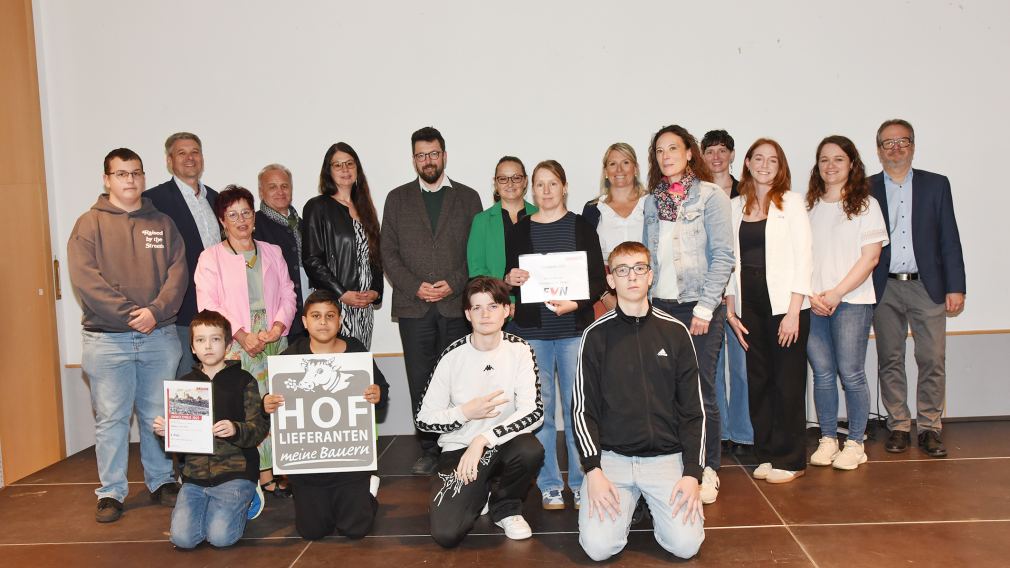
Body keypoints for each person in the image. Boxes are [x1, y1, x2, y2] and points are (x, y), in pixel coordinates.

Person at [68, 148, 187, 522]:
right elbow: (86, 280)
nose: (130, 180)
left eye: (136, 172)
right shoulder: (89, 224)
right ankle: (111, 491)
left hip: (159, 335)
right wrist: (130, 315)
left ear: (143, 177)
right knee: (111, 419)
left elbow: (178, 274)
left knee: (158, 414)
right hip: (107, 340)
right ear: (107, 179)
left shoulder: (163, 223)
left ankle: (161, 480)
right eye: (121, 174)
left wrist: (155, 312)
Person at [574, 241, 705, 561]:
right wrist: (593, 471)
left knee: (686, 546)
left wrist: (692, 474)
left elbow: (694, 411)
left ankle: (649, 502)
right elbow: (582, 410)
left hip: (665, 459)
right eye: (622, 270)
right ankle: (629, 502)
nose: (631, 276)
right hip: (612, 461)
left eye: (639, 268)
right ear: (611, 280)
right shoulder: (595, 335)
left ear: (650, 276)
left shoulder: (675, 332)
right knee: (598, 549)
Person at [504, 159, 606, 510]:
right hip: (533, 333)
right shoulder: (519, 229)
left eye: (552, 183)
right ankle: (549, 484)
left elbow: (597, 281)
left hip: (573, 331)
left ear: (564, 187)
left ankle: (579, 482)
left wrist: (575, 304)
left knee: (578, 409)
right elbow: (510, 275)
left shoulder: (581, 226)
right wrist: (509, 279)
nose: (546, 191)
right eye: (540, 184)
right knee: (542, 412)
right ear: (532, 190)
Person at [380, 126, 483, 475]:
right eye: (421, 155)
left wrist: (453, 283)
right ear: (414, 160)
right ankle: (429, 448)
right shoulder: (397, 198)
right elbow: (388, 252)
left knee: (459, 379)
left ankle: (459, 445)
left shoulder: (468, 197)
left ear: (444, 156)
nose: (428, 161)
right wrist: (416, 286)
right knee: (420, 379)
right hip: (414, 307)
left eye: (433, 154)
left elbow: (476, 251)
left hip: (455, 306)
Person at [415, 277, 545, 547]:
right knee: (446, 533)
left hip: (503, 444)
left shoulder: (520, 350)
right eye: (477, 308)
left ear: (506, 310)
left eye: (493, 306)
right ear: (467, 314)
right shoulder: (452, 356)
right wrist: (465, 412)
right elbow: (424, 419)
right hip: (460, 450)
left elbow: (533, 411)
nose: (485, 314)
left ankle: (506, 508)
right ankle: (479, 492)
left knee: (530, 449)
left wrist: (483, 439)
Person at [643, 125, 733, 504]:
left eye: (673, 148)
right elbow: (648, 258)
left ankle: (708, 467)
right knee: (666, 392)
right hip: (659, 308)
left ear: (689, 153)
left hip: (698, 307)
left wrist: (706, 307)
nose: (666, 156)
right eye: (659, 150)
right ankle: (679, 463)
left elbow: (724, 256)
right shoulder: (652, 201)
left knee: (700, 391)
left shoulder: (711, 196)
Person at [870, 119, 966, 458]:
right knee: (890, 358)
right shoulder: (866, 188)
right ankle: (898, 425)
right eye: (888, 142)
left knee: (932, 358)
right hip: (884, 286)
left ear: (912, 145)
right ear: (879, 150)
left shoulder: (936, 185)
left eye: (903, 141)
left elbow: (949, 237)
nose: (896, 148)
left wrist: (956, 286)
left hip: (928, 286)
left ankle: (929, 428)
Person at [194, 185, 296, 497]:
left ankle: (281, 467)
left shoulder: (272, 251)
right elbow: (209, 305)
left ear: (254, 216)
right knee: (249, 407)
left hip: (273, 338)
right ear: (222, 220)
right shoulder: (210, 257)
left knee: (278, 402)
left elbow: (288, 292)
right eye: (233, 214)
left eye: (246, 213)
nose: (241, 220)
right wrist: (241, 334)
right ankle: (260, 474)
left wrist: (277, 327)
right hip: (235, 341)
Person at [263, 290, 389, 540]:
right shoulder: (288, 358)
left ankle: (366, 493)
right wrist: (266, 403)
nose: (323, 322)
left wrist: (377, 394)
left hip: (350, 464)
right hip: (308, 468)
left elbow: (381, 388)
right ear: (304, 321)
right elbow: (274, 401)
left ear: (339, 321)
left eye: (330, 316)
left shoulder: (356, 351)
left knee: (355, 530)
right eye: (316, 316)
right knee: (313, 531)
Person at [726, 139, 812, 484]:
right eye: (758, 158)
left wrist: (794, 312)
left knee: (787, 382)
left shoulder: (791, 203)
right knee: (758, 381)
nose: (764, 165)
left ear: (781, 167)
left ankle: (791, 460)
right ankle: (766, 453)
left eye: (772, 160)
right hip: (748, 304)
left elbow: (804, 258)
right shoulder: (735, 206)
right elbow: (729, 260)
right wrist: (731, 311)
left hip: (784, 305)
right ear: (747, 163)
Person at [153, 310, 269, 549]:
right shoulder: (184, 385)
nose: (208, 346)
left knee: (220, 538)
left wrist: (236, 429)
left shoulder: (243, 380)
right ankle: (213, 508)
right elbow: (180, 442)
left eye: (215, 339)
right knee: (182, 539)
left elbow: (258, 429)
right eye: (200, 340)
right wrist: (167, 432)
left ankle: (250, 496)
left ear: (228, 345)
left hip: (235, 473)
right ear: (193, 348)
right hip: (194, 478)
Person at [805, 136, 888, 471]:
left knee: (851, 374)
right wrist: (811, 295)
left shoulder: (866, 205)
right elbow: (799, 257)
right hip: (813, 304)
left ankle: (855, 442)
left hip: (851, 301)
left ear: (852, 164)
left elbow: (870, 258)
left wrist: (837, 292)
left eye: (838, 159)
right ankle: (828, 438)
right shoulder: (808, 207)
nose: (831, 165)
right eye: (824, 159)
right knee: (823, 374)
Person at [146, 132, 220, 378]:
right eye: (182, 153)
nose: (190, 158)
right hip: (180, 311)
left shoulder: (216, 198)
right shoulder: (154, 200)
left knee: (217, 383)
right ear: (170, 161)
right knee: (185, 385)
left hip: (217, 308)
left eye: (195, 152)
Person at [302, 143, 384, 348]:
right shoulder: (317, 207)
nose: (345, 169)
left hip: (363, 308)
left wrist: (375, 292)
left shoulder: (366, 209)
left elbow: (376, 256)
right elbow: (312, 260)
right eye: (337, 165)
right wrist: (342, 293)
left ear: (357, 168)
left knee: (360, 362)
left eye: (349, 163)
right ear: (328, 171)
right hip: (334, 306)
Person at [701, 129, 752, 452]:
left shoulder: (749, 191)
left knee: (742, 367)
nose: (716, 157)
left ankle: (744, 434)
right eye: (710, 151)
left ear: (732, 155)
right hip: (707, 293)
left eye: (722, 150)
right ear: (701, 157)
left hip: (742, 291)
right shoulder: (697, 194)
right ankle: (718, 434)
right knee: (711, 370)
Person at [582, 143, 648, 312]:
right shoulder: (592, 209)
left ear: (635, 168)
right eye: (612, 164)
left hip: (648, 290)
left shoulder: (651, 203)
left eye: (625, 162)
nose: (619, 169)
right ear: (605, 171)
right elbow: (585, 259)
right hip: (605, 292)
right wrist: (605, 296)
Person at [253, 164, 307, 338]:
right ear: (261, 192)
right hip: (274, 320)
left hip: (306, 316)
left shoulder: (303, 224)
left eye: (284, 186)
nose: (280, 192)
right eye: (272, 187)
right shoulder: (253, 225)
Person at [467, 156, 538, 285]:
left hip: (536, 296)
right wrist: (504, 282)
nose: (510, 184)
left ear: (525, 181)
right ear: (495, 183)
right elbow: (476, 273)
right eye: (503, 179)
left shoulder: (541, 215)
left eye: (516, 178)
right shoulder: (481, 221)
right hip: (496, 296)